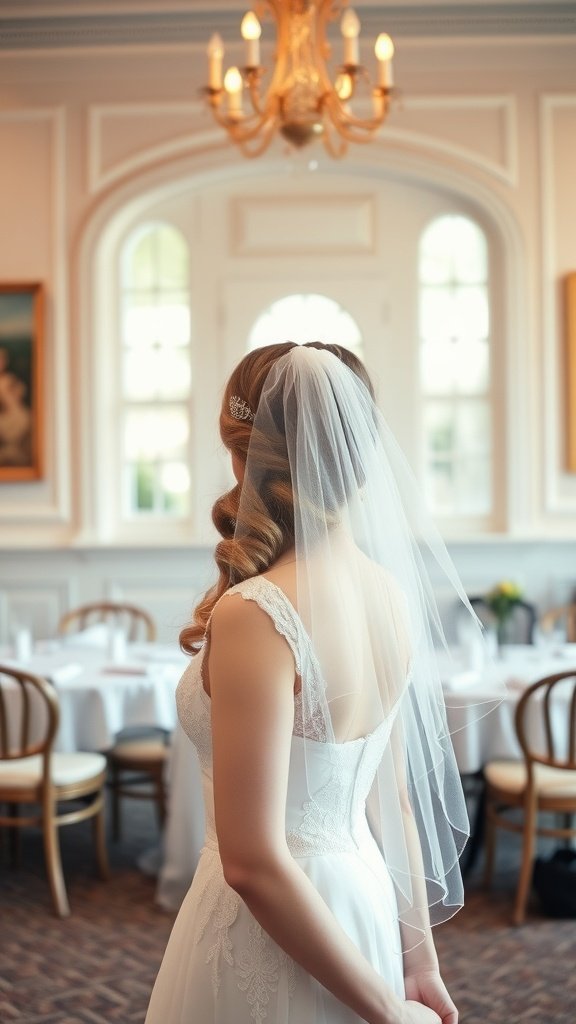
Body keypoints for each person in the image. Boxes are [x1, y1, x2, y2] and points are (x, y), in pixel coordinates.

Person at [146, 341, 482, 1024]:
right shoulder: (388, 592)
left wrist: (388, 1009)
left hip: (271, 924)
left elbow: (252, 862)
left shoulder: (256, 612)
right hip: (359, 906)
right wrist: (417, 963)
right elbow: (393, 804)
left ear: (243, 451)